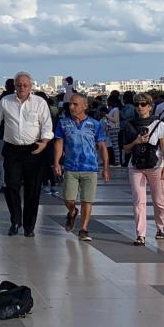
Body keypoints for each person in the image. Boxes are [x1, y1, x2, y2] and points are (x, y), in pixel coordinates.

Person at [0, 72, 53, 238]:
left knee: (33, 190)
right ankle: (15, 220)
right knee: (10, 186)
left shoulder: (40, 103)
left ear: (31, 86)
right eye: (19, 85)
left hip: (34, 149)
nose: (22, 88)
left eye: (25, 85)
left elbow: (47, 125)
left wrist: (45, 142)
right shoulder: (6, 102)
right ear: (14, 86)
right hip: (12, 149)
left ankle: (29, 225)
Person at [53, 93, 109, 242]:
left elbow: (102, 146)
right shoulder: (63, 123)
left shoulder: (95, 125)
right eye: (70, 104)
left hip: (90, 168)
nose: (71, 107)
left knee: (87, 200)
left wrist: (106, 168)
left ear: (85, 106)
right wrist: (57, 162)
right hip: (71, 167)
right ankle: (72, 211)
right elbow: (59, 143)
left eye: (75, 104)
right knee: (68, 198)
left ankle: (83, 229)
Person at [119, 93, 164, 244]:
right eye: (137, 104)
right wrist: (136, 141)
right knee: (138, 200)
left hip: (156, 165)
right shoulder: (129, 125)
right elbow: (125, 149)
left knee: (159, 200)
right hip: (136, 165)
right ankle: (141, 234)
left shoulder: (160, 125)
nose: (140, 107)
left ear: (150, 106)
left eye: (143, 104)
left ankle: (160, 227)